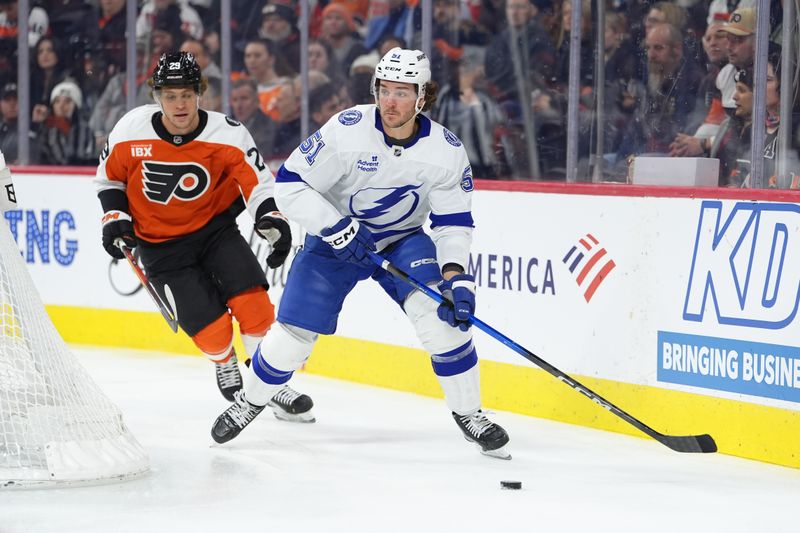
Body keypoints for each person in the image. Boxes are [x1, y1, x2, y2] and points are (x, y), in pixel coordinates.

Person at [211, 48, 511, 459]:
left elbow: (452, 222)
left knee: (443, 323)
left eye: (402, 93)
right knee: (290, 339)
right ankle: (250, 401)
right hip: (334, 241)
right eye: (384, 90)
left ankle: (470, 413)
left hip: (402, 240)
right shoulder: (347, 130)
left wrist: (455, 275)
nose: (390, 102)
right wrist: (335, 228)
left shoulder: (445, 150)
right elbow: (290, 184)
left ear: (422, 97)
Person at [94, 51, 314, 422]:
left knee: (256, 309)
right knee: (212, 332)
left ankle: (269, 384)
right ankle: (224, 360)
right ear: (157, 97)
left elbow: (258, 184)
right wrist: (114, 216)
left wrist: (270, 217)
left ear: (200, 93)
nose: (179, 104)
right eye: (170, 96)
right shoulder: (131, 130)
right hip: (161, 246)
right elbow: (109, 179)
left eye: (186, 94)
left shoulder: (228, 133)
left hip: (215, 231)